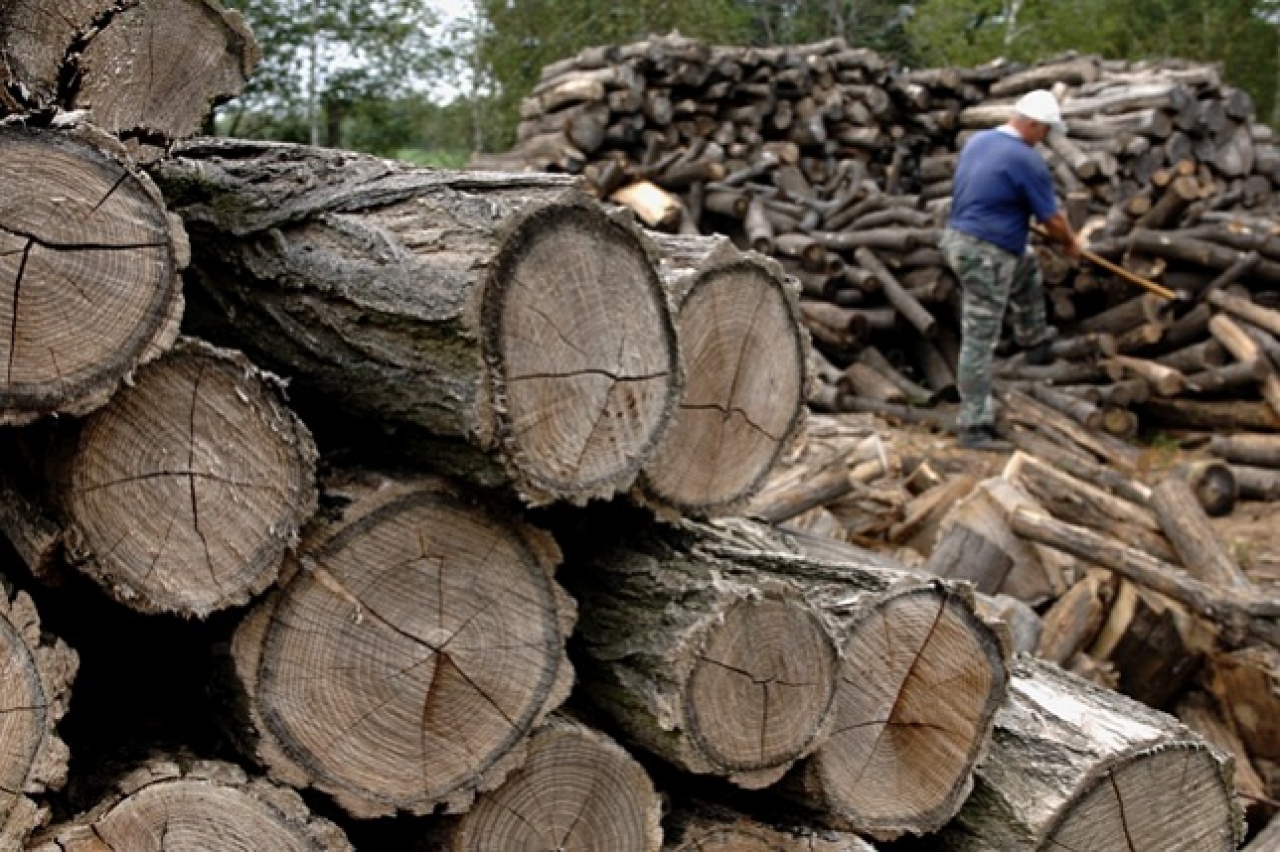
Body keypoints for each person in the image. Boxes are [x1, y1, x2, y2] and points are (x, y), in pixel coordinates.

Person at [940, 88, 1083, 452]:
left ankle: (1033, 338)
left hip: (966, 239)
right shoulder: (1025, 159)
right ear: (1032, 124)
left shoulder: (980, 141)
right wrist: (1069, 243)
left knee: (1028, 265)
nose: (1047, 139)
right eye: (1045, 131)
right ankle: (973, 424)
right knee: (979, 337)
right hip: (984, 253)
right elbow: (1052, 218)